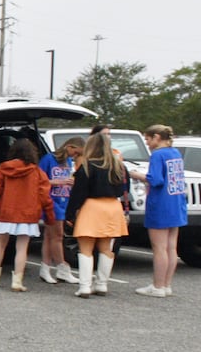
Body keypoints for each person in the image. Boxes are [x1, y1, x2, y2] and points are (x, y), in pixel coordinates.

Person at [65, 131, 128, 298]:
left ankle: (85, 286)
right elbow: (123, 189)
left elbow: (78, 194)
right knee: (106, 248)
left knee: (85, 248)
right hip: (113, 207)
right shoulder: (118, 166)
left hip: (92, 206)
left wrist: (70, 214)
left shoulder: (87, 166)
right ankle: (102, 284)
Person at [129, 124, 187, 297]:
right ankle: (166, 284)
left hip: (161, 204)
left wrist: (136, 175)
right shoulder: (175, 153)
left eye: (147, 139)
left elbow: (155, 180)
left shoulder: (157, 155)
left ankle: (157, 285)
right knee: (171, 247)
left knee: (159, 247)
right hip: (176, 203)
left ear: (156, 137)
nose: (146, 142)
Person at [0, 138, 53, 292]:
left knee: (0, 244)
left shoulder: (4, 169)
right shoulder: (37, 172)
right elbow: (45, 196)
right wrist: (50, 216)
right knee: (22, 248)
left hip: (5, 212)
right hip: (28, 215)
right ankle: (17, 281)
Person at [39, 137, 83, 284]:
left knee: (49, 237)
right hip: (51, 201)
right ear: (69, 147)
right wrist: (57, 181)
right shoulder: (48, 159)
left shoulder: (69, 162)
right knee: (58, 236)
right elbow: (38, 180)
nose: (74, 156)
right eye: (75, 152)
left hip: (64, 200)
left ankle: (45, 268)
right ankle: (62, 267)